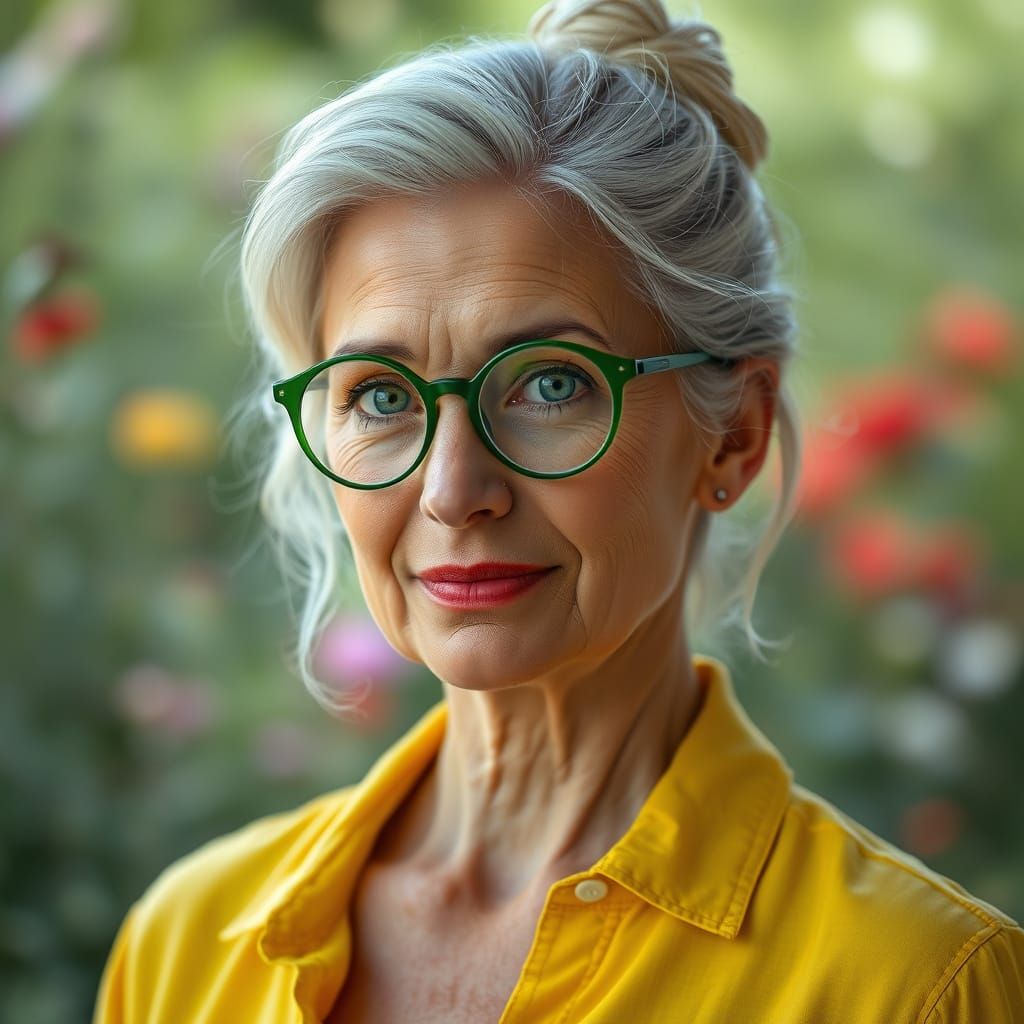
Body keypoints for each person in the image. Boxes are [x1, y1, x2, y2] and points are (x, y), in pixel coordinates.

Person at [93, 0, 1024, 1021]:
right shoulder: (185, 947)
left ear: (734, 436)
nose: (453, 490)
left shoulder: (912, 985)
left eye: (549, 384)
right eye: (382, 396)